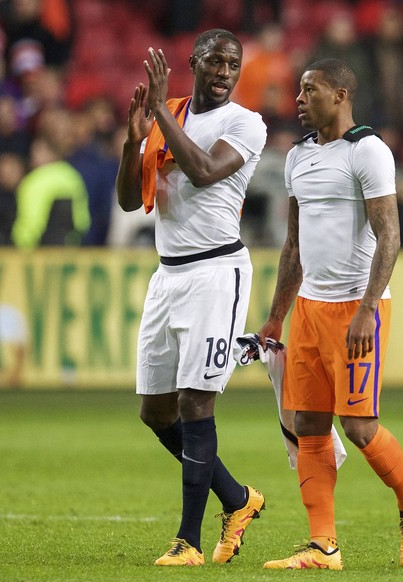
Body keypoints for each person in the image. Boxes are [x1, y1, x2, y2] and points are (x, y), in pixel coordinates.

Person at [258, 58, 403, 571]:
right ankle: (322, 545)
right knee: (308, 424)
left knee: (358, 427)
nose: (298, 97)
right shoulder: (297, 158)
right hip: (309, 309)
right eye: (298, 89)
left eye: (309, 89)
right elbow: (293, 245)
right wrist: (276, 317)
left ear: (340, 95)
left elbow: (390, 235)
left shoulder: (369, 151)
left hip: (358, 307)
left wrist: (366, 309)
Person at [114, 29, 268, 567]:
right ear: (194, 63)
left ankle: (190, 542)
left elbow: (203, 173)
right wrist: (134, 140)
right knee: (155, 412)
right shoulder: (170, 114)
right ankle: (238, 499)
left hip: (216, 272)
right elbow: (131, 200)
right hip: (167, 275)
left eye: (233, 63)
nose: (225, 71)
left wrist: (159, 112)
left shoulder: (245, 123)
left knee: (194, 402)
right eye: (215, 61)